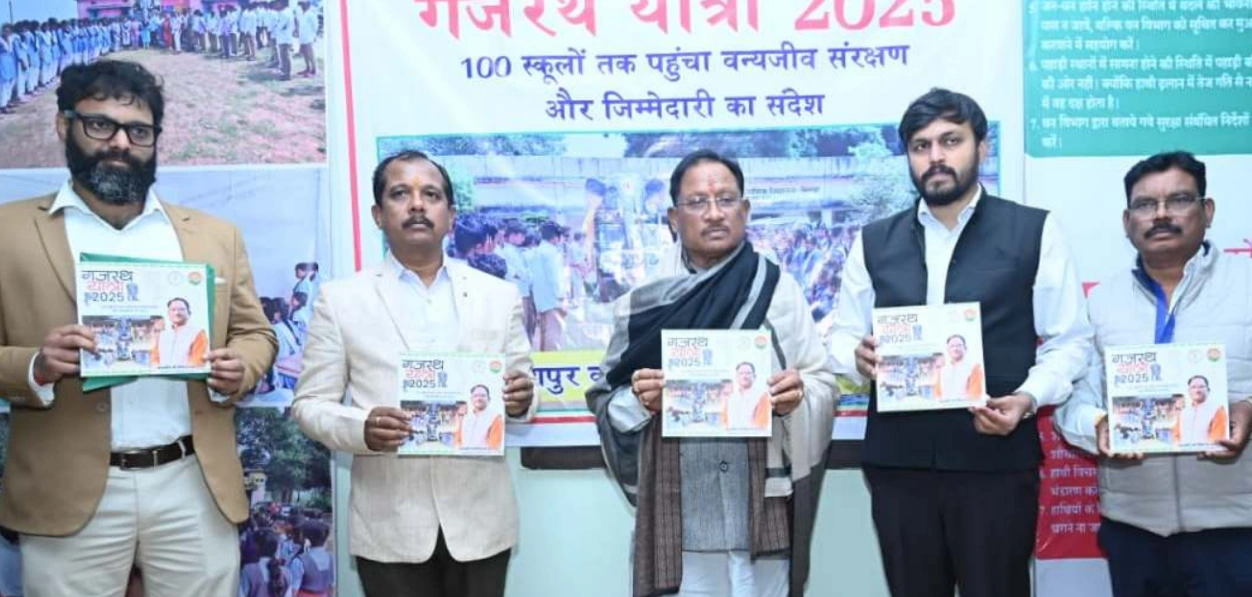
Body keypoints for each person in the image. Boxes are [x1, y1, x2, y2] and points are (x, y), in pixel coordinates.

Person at [0, 60, 277, 596]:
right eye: (100, 124)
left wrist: (242, 366)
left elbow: (256, 333)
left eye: (139, 131)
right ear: (63, 125)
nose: (120, 143)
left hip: (193, 484)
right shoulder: (8, 230)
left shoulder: (214, 235)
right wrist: (35, 365)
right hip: (66, 490)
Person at [828, 88, 1092, 597]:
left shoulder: (1033, 230)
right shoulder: (874, 241)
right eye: (921, 146)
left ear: (982, 148)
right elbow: (842, 337)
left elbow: (1070, 341)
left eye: (951, 141)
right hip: (899, 465)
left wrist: (1027, 399)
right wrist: (856, 356)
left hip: (995, 460)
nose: (936, 156)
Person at [587, 149, 837, 597]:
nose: (715, 213)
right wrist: (642, 402)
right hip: (680, 515)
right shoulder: (645, 302)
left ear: (746, 210)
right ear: (673, 217)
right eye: (698, 202)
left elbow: (822, 384)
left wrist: (796, 399)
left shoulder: (778, 290)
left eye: (726, 199)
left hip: (762, 513)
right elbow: (608, 401)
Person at [292, 150, 535, 597]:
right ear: (378, 215)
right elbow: (309, 405)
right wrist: (362, 427)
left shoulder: (498, 296)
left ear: (451, 216)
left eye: (432, 195)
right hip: (389, 525)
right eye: (401, 193)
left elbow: (523, 392)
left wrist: (521, 400)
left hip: (480, 522)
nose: (418, 204)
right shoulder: (341, 300)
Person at [1055, 151, 1252, 597]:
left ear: (1207, 211)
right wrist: (1097, 426)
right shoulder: (1102, 302)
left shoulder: (1247, 283)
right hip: (1135, 531)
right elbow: (1073, 400)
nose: (1161, 214)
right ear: (1128, 222)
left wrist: (1248, 409)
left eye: (1178, 200)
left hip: (1237, 528)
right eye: (1145, 204)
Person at [530, 221, 569, 351]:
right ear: (556, 237)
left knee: (545, 332)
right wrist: (562, 297)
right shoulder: (552, 253)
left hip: (541, 299)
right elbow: (556, 277)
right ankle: (552, 359)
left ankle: (545, 359)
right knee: (554, 333)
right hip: (553, 299)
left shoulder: (537, 251)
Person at [152, 297, 209, 367]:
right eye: (173, 310)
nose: (177, 313)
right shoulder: (163, 335)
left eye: (181, 309)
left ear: (189, 313)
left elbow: (198, 361)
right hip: (163, 373)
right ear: (168, 313)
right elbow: (155, 358)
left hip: (188, 374)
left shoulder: (197, 333)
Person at [1174, 375, 1228, 445]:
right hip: (1183, 451)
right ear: (1189, 391)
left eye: (1201, 387)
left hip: (1207, 451)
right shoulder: (1183, 412)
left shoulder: (1217, 409)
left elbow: (1217, 438)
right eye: (1193, 387)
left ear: (1208, 390)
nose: (1197, 390)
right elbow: (1176, 436)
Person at [289, 521, 334, 597]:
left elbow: (294, 590)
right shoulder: (331, 558)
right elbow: (331, 587)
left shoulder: (300, 561)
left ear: (306, 539)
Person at [933, 333, 985, 400]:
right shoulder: (943, 369)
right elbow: (938, 394)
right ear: (948, 350)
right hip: (944, 405)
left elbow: (975, 395)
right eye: (952, 346)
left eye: (959, 345)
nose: (955, 348)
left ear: (965, 348)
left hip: (966, 406)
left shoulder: (974, 367)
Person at [721, 362, 770, 431]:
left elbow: (761, 425)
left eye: (748, 373)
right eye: (741, 373)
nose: (744, 376)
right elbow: (724, 422)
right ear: (736, 377)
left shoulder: (762, 396)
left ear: (754, 376)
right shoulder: (730, 397)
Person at [455, 384, 504, 450]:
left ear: (489, 399)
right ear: (471, 399)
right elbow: (458, 441)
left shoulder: (495, 418)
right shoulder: (465, 418)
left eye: (483, 395)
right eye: (475, 396)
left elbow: (494, 447)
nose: (479, 398)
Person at [296, 0, 318, 76]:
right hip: (303, 37)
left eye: (303, 4)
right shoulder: (301, 13)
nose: (302, 6)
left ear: (308, 4)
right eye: (301, 5)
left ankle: (314, 70)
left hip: (309, 37)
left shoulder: (311, 14)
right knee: (305, 54)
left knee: (310, 54)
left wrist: (313, 36)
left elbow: (315, 26)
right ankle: (308, 68)